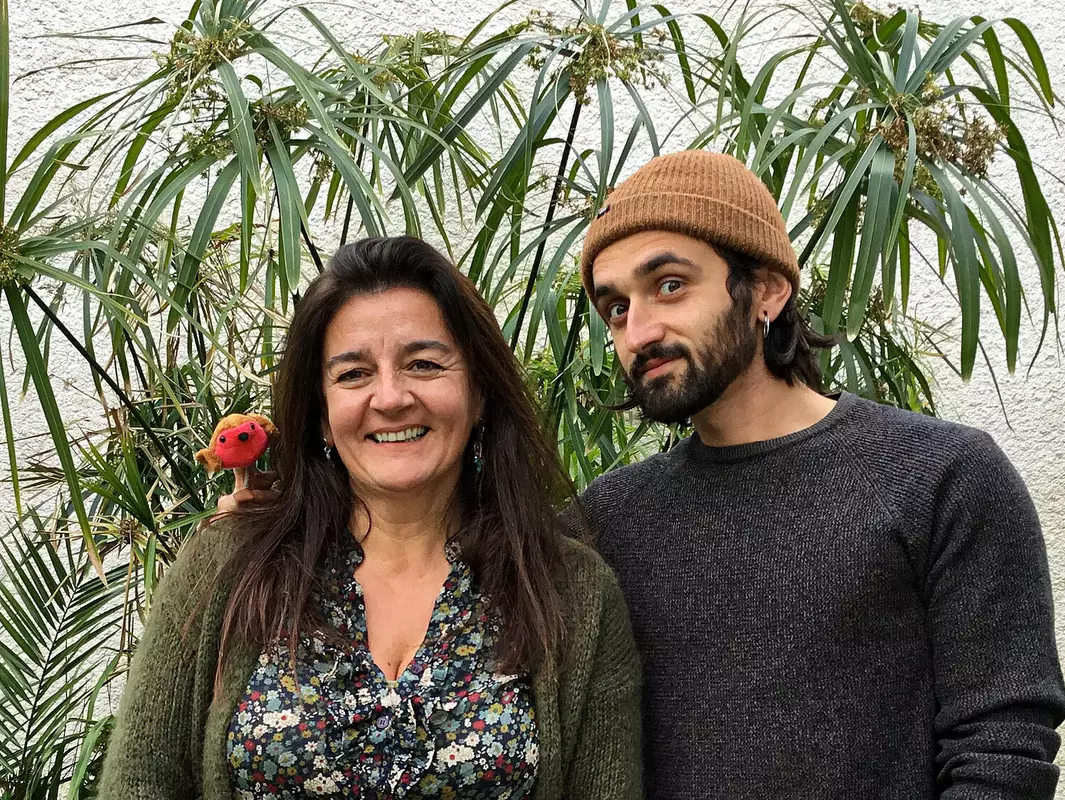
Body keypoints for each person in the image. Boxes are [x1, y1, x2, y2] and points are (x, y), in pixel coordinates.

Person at [576, 149, 1065, 799]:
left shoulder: (940, 477)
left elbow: (1002, 747)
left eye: (669, 285)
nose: (637, 332)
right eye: (615, 308)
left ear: (767, 290)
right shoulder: (606, 521)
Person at [99, 236, 642, 800]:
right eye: (354, 374)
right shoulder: (227, 563)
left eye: (424, 364)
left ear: (479, 392)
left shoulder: (570, 590)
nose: (390, 397)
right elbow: (138, 783)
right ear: (322, 415)